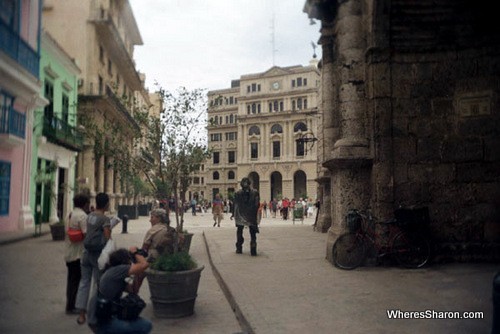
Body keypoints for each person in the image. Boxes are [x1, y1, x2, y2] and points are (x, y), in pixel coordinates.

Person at [87, 247, 152, 334]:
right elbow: (144, 265)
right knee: (144, 326)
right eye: (129, 261)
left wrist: (138, 275)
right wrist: (136, 253)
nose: (131, 263)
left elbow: (133, 290)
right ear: (124, 262)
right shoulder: (117, 270)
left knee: (143, 324)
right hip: (102, 322)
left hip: (101, 319)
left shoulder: (114, 274)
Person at [75, 192, 112, 325]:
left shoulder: (89, 215)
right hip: (97, 256)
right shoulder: (104, 219)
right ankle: (93, 313)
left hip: (86, 253)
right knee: (98, 284)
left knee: (84, 282)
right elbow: (108, 238)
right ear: (107, 204)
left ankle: (81, 315)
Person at [133, 208, 181, 292]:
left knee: (138, 274)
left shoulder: (153, 230)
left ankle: (133, 293)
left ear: (159, 218)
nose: (150, 220)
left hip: (153, 259)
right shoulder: (169, 229)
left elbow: (144, 249)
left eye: (152, 217)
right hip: (169, 258)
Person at [64, 193, 90, 314]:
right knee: (77, 280)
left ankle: (70, 304)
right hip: (79, 253)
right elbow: (86, 234)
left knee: (71, 280)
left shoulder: (69, 214)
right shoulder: (83, 216)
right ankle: (72, 306)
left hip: (69, 252)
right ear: (85, 204)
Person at [230, 177, 260, 256]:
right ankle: (253, 247)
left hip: (241, 215)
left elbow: (235, 205)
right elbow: (257, 204)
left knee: (240, 230)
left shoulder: (237, 193)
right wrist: (255, 214)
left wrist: (233, 214)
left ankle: (239, 247)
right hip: (251, 215)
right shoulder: (255, 192)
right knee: (252, 232)